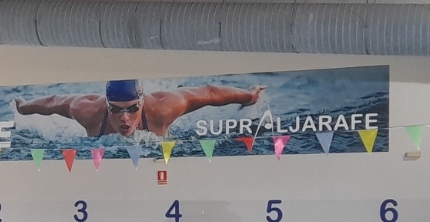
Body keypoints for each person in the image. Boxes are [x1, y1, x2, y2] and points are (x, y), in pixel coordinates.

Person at [15, 79, 266, 139]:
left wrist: (249, 96)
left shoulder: (161, 110)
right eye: (116, 110)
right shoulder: (89, 112)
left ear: (142, 103)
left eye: (132, 108)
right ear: (106, 106)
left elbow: (209, 93)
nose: (124, 118)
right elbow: (54, 102)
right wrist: (24, 108)